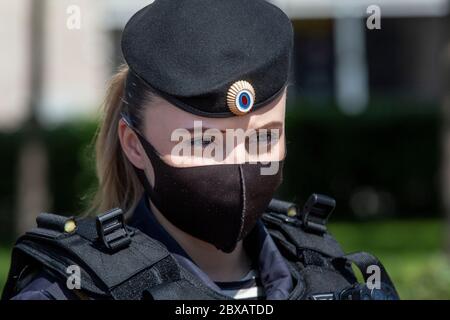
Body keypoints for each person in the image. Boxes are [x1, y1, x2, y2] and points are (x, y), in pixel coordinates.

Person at [2, 0, 399, 300]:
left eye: (263, 138)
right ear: (134, 146)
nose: (239, 164)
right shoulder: (68, 290)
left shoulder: (328, 275)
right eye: (203, 141)